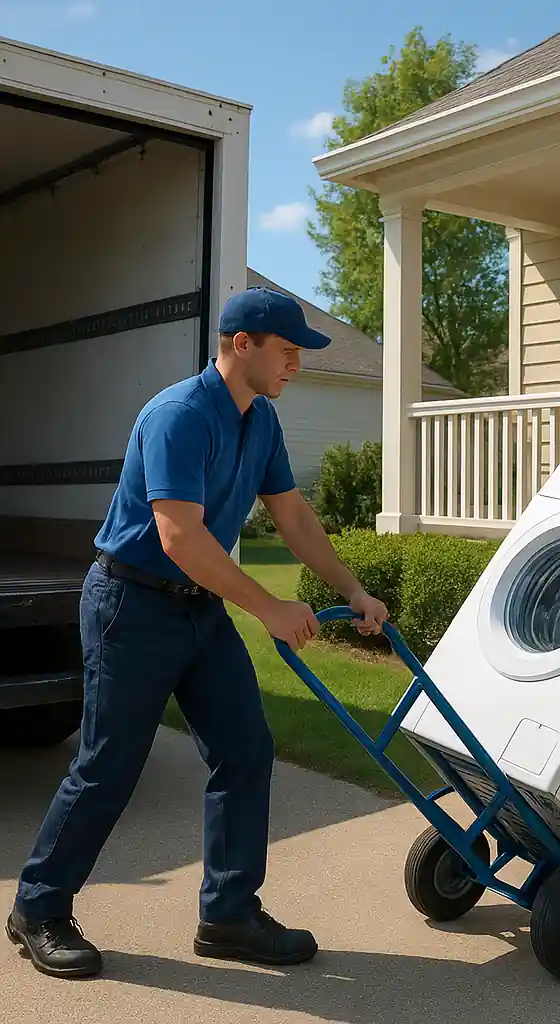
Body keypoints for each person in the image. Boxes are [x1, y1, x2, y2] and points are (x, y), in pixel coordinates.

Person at [6, 286, 390, 980]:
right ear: (242, 345)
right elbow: (179, 536)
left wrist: (352, 589)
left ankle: (229, 915)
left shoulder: (261, 422)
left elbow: (295, 518)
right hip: (132, 604)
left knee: (245, 749)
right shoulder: (179, 414)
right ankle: (37, 908)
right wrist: (269, 607)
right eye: (289, 352)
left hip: (198, 609)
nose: (296, 366)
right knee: (108, 768)